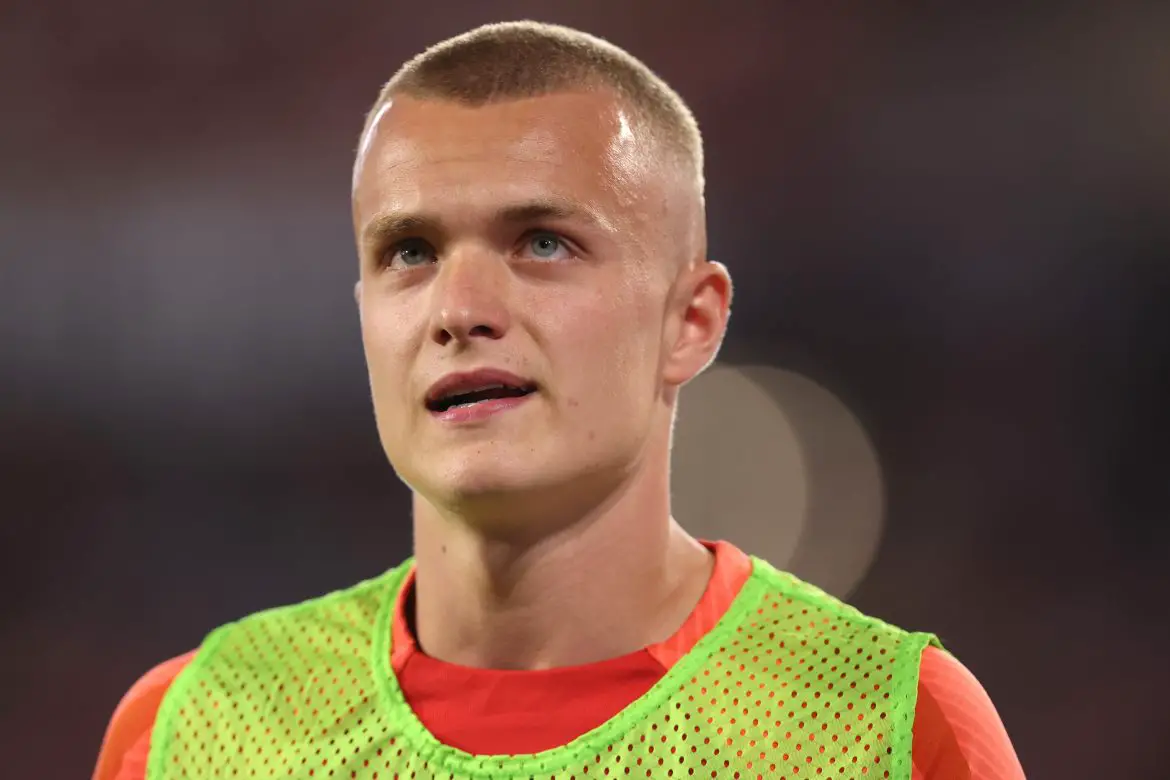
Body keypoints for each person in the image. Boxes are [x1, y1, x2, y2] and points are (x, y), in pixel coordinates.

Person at [93, 21, 1025, 780]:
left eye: (541, 243)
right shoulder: (190, 736)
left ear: (690, 322)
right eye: (410, 253)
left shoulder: (886, 730)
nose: (458, 310)